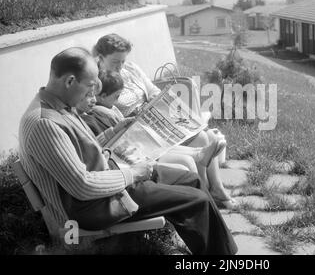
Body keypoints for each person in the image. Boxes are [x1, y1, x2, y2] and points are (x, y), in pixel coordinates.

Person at [18, 47, 237, 255]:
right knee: (196, 201)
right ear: (70, 81)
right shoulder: (44, 123)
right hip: (94, 205)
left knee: (191, 180)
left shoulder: (58, 106)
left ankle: (217, 249)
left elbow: (81, 150)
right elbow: (82, 186)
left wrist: (115, 131)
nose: (93, 93)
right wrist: (134, 173)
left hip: (108, 183)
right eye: (90, 86)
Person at [93, 34, 238, 209]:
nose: (121, 66)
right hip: (135, 128)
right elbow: (110, 113)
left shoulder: (130, 69)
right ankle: (208, 193)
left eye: (123, 61)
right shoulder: (99, 81)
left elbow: (153, 90)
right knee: (203, 141)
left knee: (204, 137)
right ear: (100, 58)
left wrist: (155, 103)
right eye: (116, 62)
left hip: (153, 117)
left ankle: (215, 189)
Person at [75, 70, 225, 174]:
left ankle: (199, 155)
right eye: (88, 96)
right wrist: (116, 130)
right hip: (124, 159)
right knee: (185, 159)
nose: (93, 100)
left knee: (200, 141)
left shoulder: (106, 109)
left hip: (130, 148)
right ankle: (199, 156)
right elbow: (95, 148)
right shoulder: (92, 117)